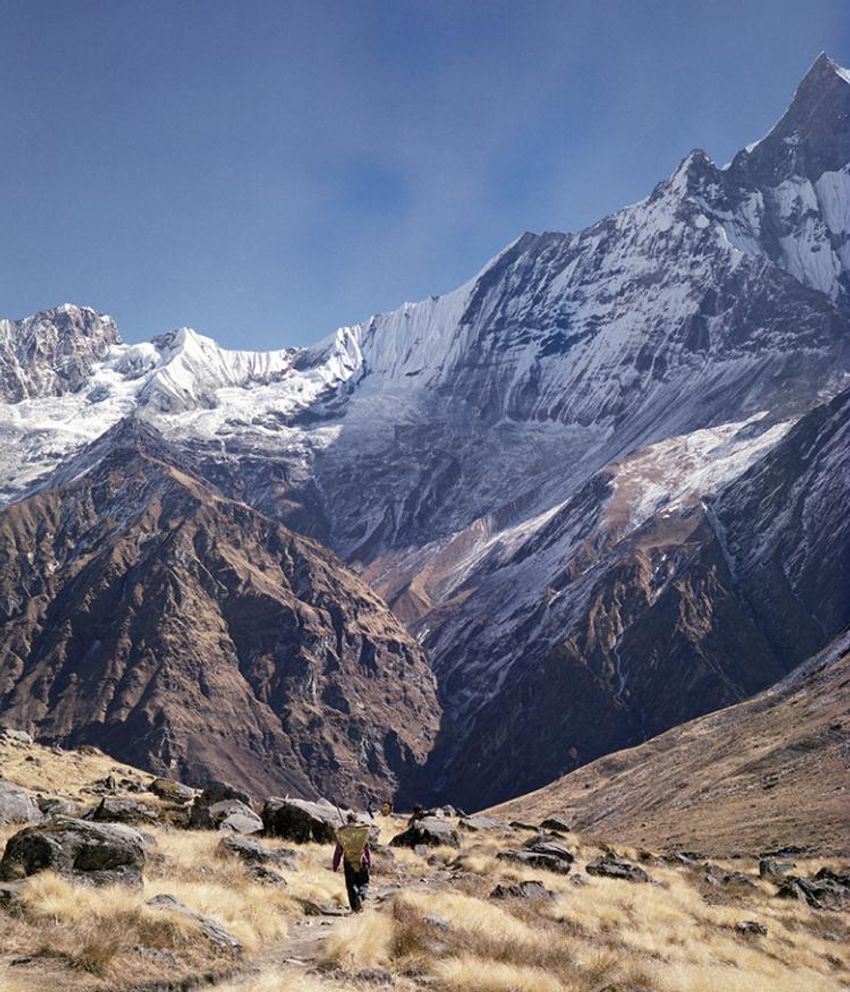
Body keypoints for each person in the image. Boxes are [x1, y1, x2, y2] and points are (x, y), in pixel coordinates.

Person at [332, 812, 372, 913]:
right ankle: (361, 896)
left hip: (348, 862)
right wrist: (369, 864)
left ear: (348, 821)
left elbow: (338, 851)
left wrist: (335, 865)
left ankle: (355, 908)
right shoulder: (362, 832)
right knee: (363, 883)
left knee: (351, 886)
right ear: (356, 820)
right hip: (362, 862)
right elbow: (367, 850)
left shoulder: (343, 834)